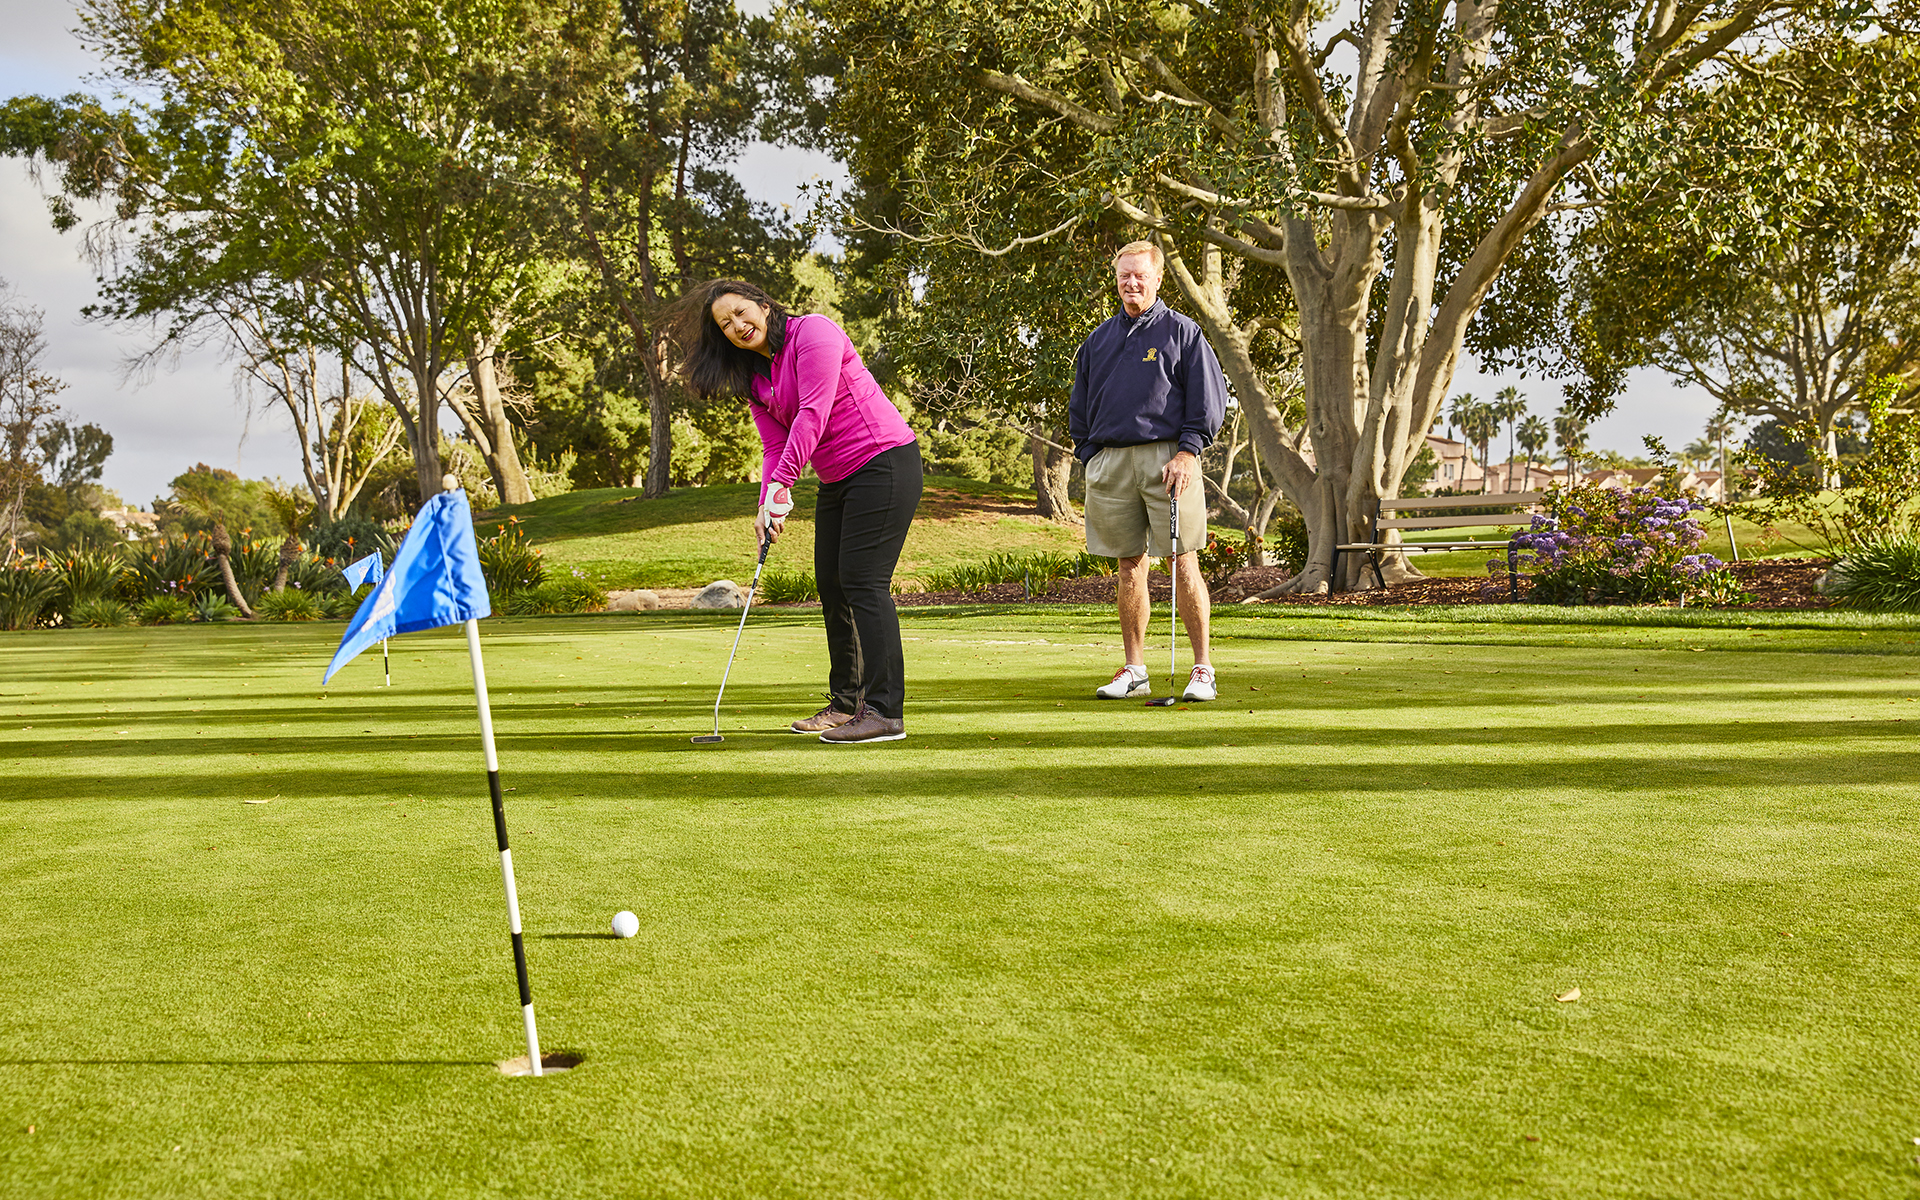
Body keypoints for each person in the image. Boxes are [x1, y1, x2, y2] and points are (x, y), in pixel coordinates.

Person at [672, 279, 923, 744]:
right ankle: (846, 704)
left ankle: (885, 713)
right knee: (832, 584)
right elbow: (774, 445)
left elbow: (813, 413)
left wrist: (784, 483)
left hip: (883, 461)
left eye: (741, 312)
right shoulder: (756, 378)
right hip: (837, 477)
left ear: (764, 305)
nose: (737, 326)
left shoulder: (814, 332)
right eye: (725, 324)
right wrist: (767, 504)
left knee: (863, 582)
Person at [1068, 241, 1228, 702]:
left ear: (1158, 279)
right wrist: (1091, 455)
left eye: (1140, 275)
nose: (1131, 282)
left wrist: (1188, 452)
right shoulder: (1098, 340)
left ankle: (1203, 669)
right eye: (1124, 275)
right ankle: (1135, 670)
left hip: (1170, 462)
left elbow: (1208, 400)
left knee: (1183, 561)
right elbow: (1080, 406)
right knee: (1128, 566)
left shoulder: (1183, 332)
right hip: (1111, 463)